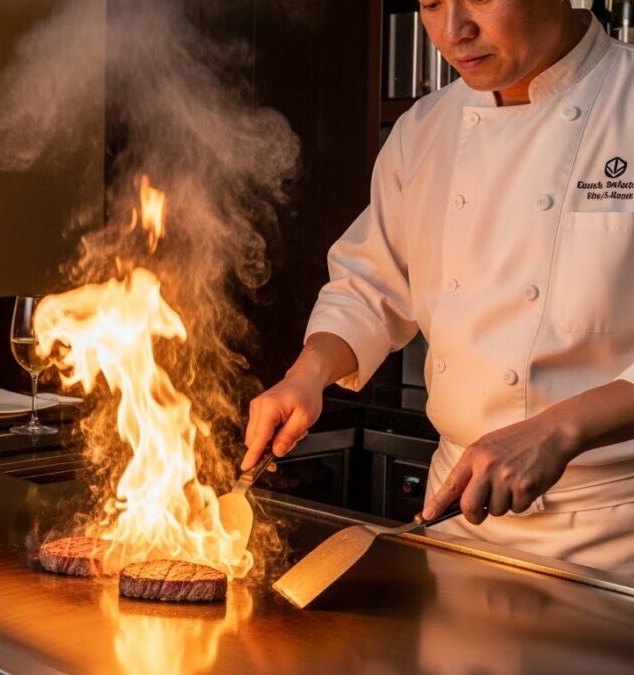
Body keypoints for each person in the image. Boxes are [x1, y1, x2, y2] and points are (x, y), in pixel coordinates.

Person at [244, 1, 634, 572]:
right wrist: (306, 376)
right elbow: (372, 283)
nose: (452, 33)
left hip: (615, 533)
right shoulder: (422, 131)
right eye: (430, 3)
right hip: (458, 522)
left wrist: (555, 432)